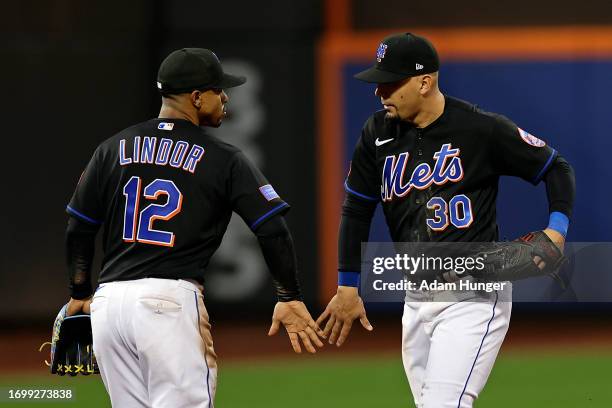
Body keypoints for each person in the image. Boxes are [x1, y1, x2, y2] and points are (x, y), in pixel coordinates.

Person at [317, 33, 575, 407]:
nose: (380, 92)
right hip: (415, 296)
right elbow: (356, 209)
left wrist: (557, 229)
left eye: (390, 82)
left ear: (425, 82)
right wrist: (347, 286)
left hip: (473, 293)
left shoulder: (479, 128)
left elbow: (556, 167)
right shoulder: (377, 133)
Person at [64, 48, 324, 407]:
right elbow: (272, 228)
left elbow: (79, 225)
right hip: (167, 302)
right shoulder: (223, 157)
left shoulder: (111, 149)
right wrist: (289, 295)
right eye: (218, 90)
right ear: (197, 97)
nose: (226, 97)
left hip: (109, 306)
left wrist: (80, 291)